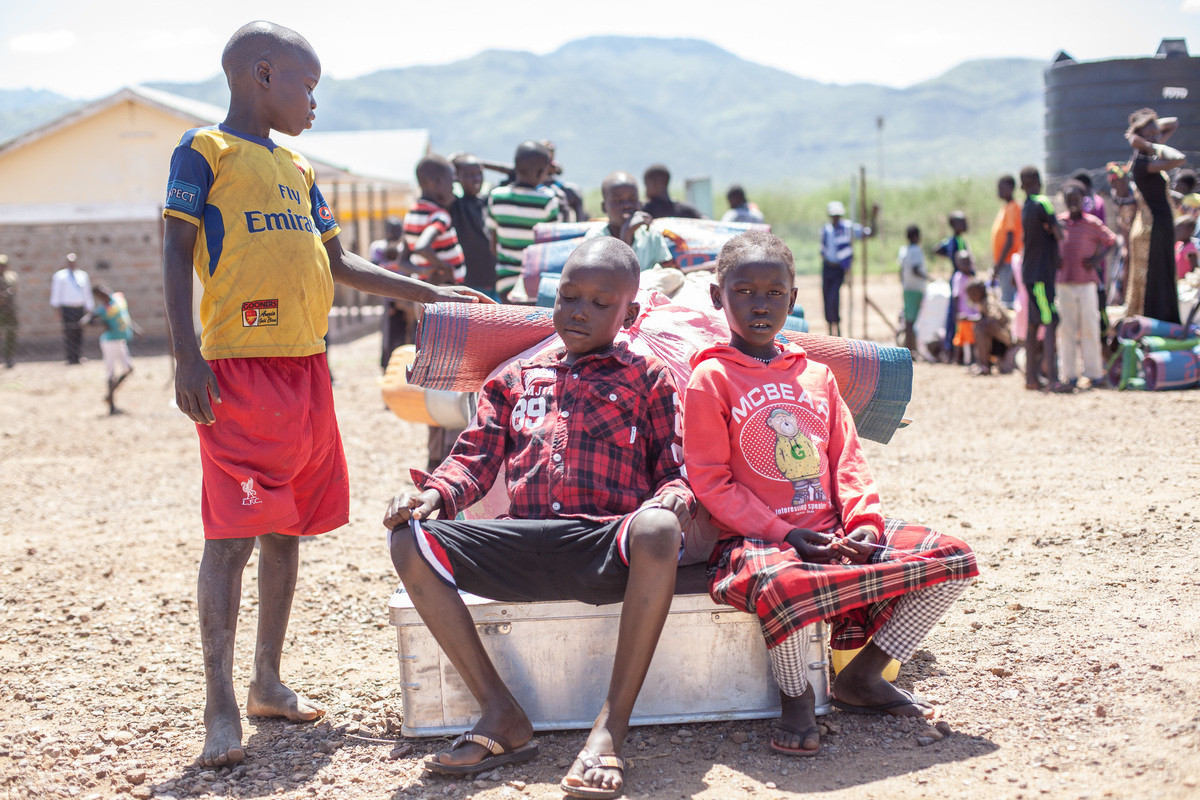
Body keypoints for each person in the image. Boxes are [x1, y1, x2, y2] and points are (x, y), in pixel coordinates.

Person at [160, 20, 486, 769]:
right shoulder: (204, 151)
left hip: (307, 370)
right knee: (231, 535)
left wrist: (430, 291)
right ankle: (219, 705)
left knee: (288, 527)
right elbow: (174, 252)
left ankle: (267, 681)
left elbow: (340, 262)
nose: (314, 102)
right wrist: (186, 355)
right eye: (307, 86)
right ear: (262, 74)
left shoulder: (300, 168)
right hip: (239, 369)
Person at [384, 237, 692, 799]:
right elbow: (472, 462)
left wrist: (674, 498)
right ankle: (500, 712)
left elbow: (674, 470)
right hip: (522, 545)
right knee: (409, 540)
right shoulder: (515, 379)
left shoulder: (647, 378)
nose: (579, 311)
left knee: (659, 529)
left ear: (630, 314)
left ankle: (609, 729)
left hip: (603, 549)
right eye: (569, 296)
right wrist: (430, 497)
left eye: (601, 303)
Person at [683, 230, 977, 759]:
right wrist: (784, 532)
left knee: (953, 559)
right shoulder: (711, 378)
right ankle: (796, 696)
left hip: (834, 533)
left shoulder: (817, 375)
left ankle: (862, 678)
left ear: (793, 299)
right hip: (759, 541)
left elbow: (847, 460)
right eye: (744, 291)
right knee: (784, 584)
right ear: (716, 297)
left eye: (775, 293)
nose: (760, 304)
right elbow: (711, 482)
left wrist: (863, 524)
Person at [404, 154, 469, 471]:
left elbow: (406, 257)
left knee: (435, 373)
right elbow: (422, 247)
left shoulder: (412, 213)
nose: (454, 188)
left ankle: (435, 453)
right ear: (433, 182)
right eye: (450, 181)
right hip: (447, 303)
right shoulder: (439, 215)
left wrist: (424, 273)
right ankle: (450, 453)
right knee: (453, 373)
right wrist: (443, 269)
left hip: (427, 302)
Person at [1126, 108, 1186, 324]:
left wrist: (1150, 129)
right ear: (1140, 138)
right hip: (1152, 229)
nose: (1156, 136)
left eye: (1156, 132)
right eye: (1149, 134)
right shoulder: (1142, 164)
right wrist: (1150, 143)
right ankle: (1152, 324)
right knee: (1154, 280)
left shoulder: (1149, 155)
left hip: (1162, 227)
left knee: (1165, 275)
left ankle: (1166, 322)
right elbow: (1178, 158)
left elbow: (1174, 122)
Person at [1057, 182, 1116, 390]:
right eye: (1069, 199)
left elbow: (1112, 240)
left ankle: (1093, 373)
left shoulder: (1092, 223)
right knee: (1066, 330)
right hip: (1064, 283)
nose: (1073, 203)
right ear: (1065, 201)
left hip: (1087, 284)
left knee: (1090, 328)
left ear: (1083, 200)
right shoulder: (1059, 223)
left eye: (1076, 199)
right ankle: (1069, 375)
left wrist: (1096, 259)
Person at [486, 141, 560, 300]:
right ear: (541, 172)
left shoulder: (497, 197)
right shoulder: (548, 200)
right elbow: (552, 247)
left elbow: (493, 245)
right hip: (536, 283)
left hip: (505, 281)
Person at [1019, 166, 1066, 392]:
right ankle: (1053, 379)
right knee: (1050, 320)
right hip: (1040, 275)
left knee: (1033, 323)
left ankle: (1031, 378)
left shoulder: (1026, 206)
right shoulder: (1043, 202)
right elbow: (1059, 233)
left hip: (1030, 272)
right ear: (1039, 182)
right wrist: (1055, 230)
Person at [584, 172, 676, 271]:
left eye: (632, 200)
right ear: (604, 207)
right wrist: (626, 234)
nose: (626, 205)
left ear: (640, 204)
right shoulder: (596, 239)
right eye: (617, 201)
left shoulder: (650, 235)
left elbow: (668, 271)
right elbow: (608, 276)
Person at [79, 285, 143, 414]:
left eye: (105, 289)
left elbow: (125, 317)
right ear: (98, 296)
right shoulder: (103, 309)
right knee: (111, 372)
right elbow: (84, 322)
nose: (105, 293)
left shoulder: (119, 299)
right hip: (110, 342)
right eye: (101, 293)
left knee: (128, 368)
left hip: (120, 340)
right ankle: (112, 407)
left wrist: (135, 329)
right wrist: (102, 323)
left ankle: (110, 395)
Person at [820, 200, 878, 336]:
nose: (835, 218)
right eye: (833, 216)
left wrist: (873, 218)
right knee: (826, 297)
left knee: (834, 297)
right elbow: (823, 250)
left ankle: (837, 325)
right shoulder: (825, 230)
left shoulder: (848, 228)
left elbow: (869, 233)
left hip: (839, 269)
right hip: (827, 267)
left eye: (837, 216)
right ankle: (830, 326)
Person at [450, 153, 498, 299]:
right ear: (456, 178)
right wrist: (453, 162)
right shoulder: (455, 205)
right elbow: (440, 175)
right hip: (470, 284)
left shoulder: (490, 200)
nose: (476, 178)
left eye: (479, 173)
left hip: (496, 281)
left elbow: (517, 172)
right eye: (469, 174)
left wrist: (483, 163)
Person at [368, 217, 410, 370]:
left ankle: (403, 364)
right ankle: (387, 365)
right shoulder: (378, 247)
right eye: (392, 229)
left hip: (405, 296)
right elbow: (374, 267)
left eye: (397, 229)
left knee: (405, 332)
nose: (395, 232)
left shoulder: (403, 247)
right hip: (388, 296)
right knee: (389, 332)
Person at [935, 212, 971, 356]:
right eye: (962, 222)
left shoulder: (955, 241)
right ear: (954, 225)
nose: (965, 225)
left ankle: (954, 347)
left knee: (957, 311)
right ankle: (952, 347)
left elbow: (938, 249)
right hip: (959, 280)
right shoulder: (956, 241)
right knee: (957, 312)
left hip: (958, 278)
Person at [49, 253, 92, 365]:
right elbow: (56, 293)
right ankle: (70, 357)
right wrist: (56, 308)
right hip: (67, 308)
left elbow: (86, 292)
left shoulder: (82, 275)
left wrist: (89, 306)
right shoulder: (60, 276)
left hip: (79, 308)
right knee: (69, 332)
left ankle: (78, 356)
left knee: (79, 332)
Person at [964, 278, 1013, 375]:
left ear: (980, 291)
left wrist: (969, 319)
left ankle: (984, 365)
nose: (971, 297)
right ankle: (981, 363)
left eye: (973, 294)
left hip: (1007, 335)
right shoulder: (982, 302)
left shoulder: (989, 300)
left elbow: (994, 319)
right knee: (978, 327)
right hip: (999, 334)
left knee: (980, 328)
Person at [990, 176, 1022, 307]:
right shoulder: (1005, 208)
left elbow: (1010, 240)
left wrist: (998, 265)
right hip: (1004, 262)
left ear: (1011, 188)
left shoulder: (1013, 208)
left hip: (1008, 262)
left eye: (1002, 188)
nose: (999, 191)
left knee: (1009, 303)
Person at [898, 225, 927, 353]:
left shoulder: (903, 250)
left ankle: (909, 346)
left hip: (907, 288)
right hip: (917, 288)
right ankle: (911, 348)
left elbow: (901, 270)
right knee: (914, 320)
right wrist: (929, 278)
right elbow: (915, 269)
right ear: (916, 236)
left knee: (909, 319)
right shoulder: (916, 250)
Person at [0, 254, 17, 369]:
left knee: (11, 333)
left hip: (9, 310)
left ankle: (9, 357)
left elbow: (15, 290)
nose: (2, 268)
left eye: (3, 265)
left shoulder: (11, 277)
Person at [1176, 215, 1198, 279]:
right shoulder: (1179, 245)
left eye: (1178, 230)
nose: (1175, 233)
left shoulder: (1190, 248)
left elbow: (1195, 269)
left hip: (1186, 282)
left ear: (1189, 232)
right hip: (1179, 280)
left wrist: (1191, 280)